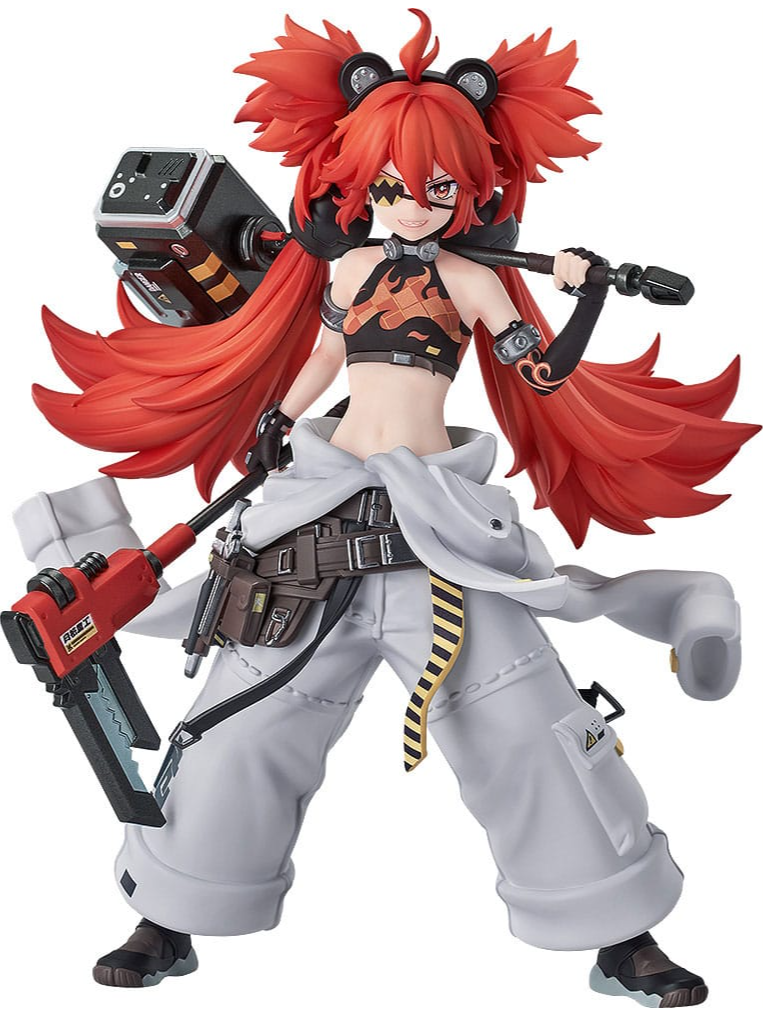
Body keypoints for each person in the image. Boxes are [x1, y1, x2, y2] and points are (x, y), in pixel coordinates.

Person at [17, 10, 757, 1007]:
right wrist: (275, 421)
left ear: (471, 191)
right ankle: (170, 910)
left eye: (437, 188)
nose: (411, 205)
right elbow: (324, 355)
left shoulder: (475, 278)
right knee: (236, 728)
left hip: (440, 541)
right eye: (393, 187)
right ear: (361, 186)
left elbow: (539, 371)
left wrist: (581, 298)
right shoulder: (350, 268)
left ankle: (621, 933)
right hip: (311, 528)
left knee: (532, 729)